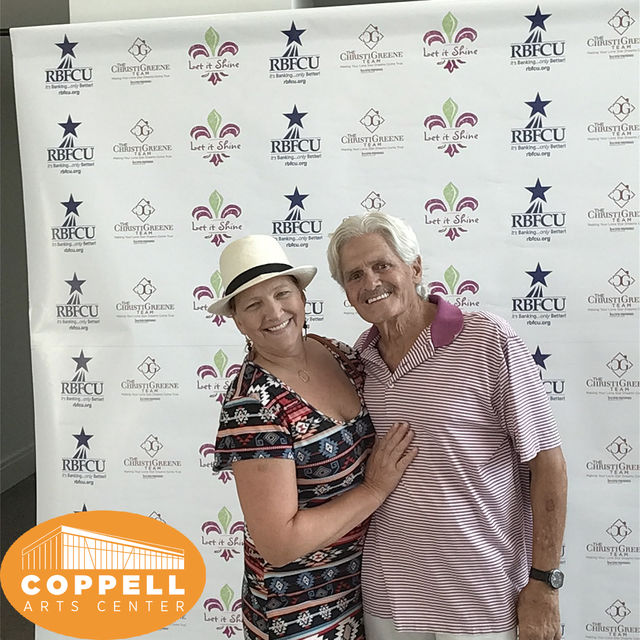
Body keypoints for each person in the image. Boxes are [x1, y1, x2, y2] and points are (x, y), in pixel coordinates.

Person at [327, 212, 567, 640]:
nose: (370, 282)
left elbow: (548, 464)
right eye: (354, 275)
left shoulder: (487, 339)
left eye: (382, 265)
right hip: (389, 597)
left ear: (415, 268)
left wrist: (545, 583)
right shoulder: (358, 361)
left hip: (482, 594)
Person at [209, 234, 417, 640]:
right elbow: (279, 543)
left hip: (367, 591)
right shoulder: (252, 404)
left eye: (282, 294)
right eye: (253, 305)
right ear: (238, 321)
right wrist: (375, 489)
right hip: (298, 613)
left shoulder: (338, 353)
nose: (274, 312)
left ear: (302, 297)